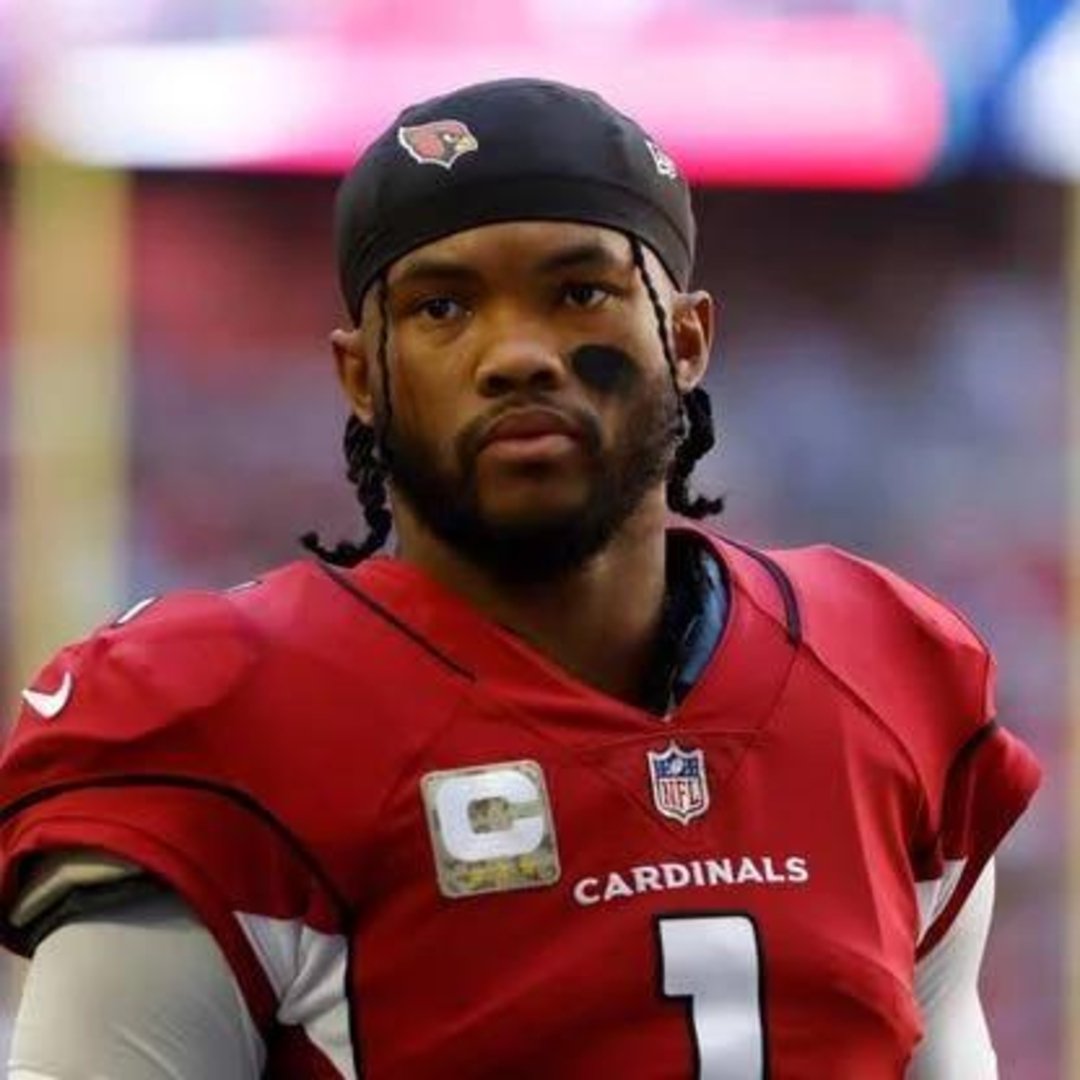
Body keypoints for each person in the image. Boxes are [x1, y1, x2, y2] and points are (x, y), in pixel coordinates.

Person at [0, 78, 1040, 1079]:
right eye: (443, 308)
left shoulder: (887, 674)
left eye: (580, 290)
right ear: (361, 375)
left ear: (686, 338)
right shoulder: (225, 718)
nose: (516, 355)